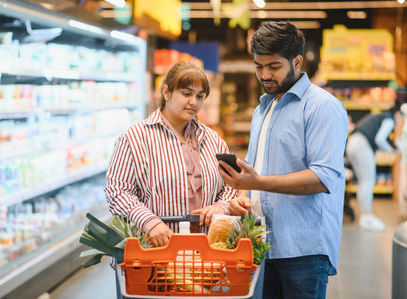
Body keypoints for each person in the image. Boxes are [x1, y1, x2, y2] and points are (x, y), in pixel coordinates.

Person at [218, 21, 349, 299]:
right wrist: (241, 195)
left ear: (297, 61)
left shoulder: (322, 107)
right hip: (264, 245)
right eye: (258, 66)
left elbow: (322, 177)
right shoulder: (262, 110)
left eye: (274, 66)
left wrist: (260, 183)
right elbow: (252, 172)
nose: (264, 75)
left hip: (304, 250)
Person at [105, 61, 237, 247]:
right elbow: (117, 191)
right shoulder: (134, 138)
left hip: (208, 251)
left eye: (200, 96)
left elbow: (231, 185)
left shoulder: (213, 140)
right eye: (186, 93)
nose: (194, 102)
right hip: (156, 251)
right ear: (167, 92)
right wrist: (149, 222)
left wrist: (220, 207)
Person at [345, 98, 405, 232]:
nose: (401, 121)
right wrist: (393, 151)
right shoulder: (389, 119)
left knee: (363, 181)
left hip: (353, 143)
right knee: (368, 181)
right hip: (362, 145)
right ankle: (367, 216)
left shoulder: (380, 116)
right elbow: (380, 139)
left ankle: (364, 215)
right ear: (397, 114)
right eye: (402, 118)